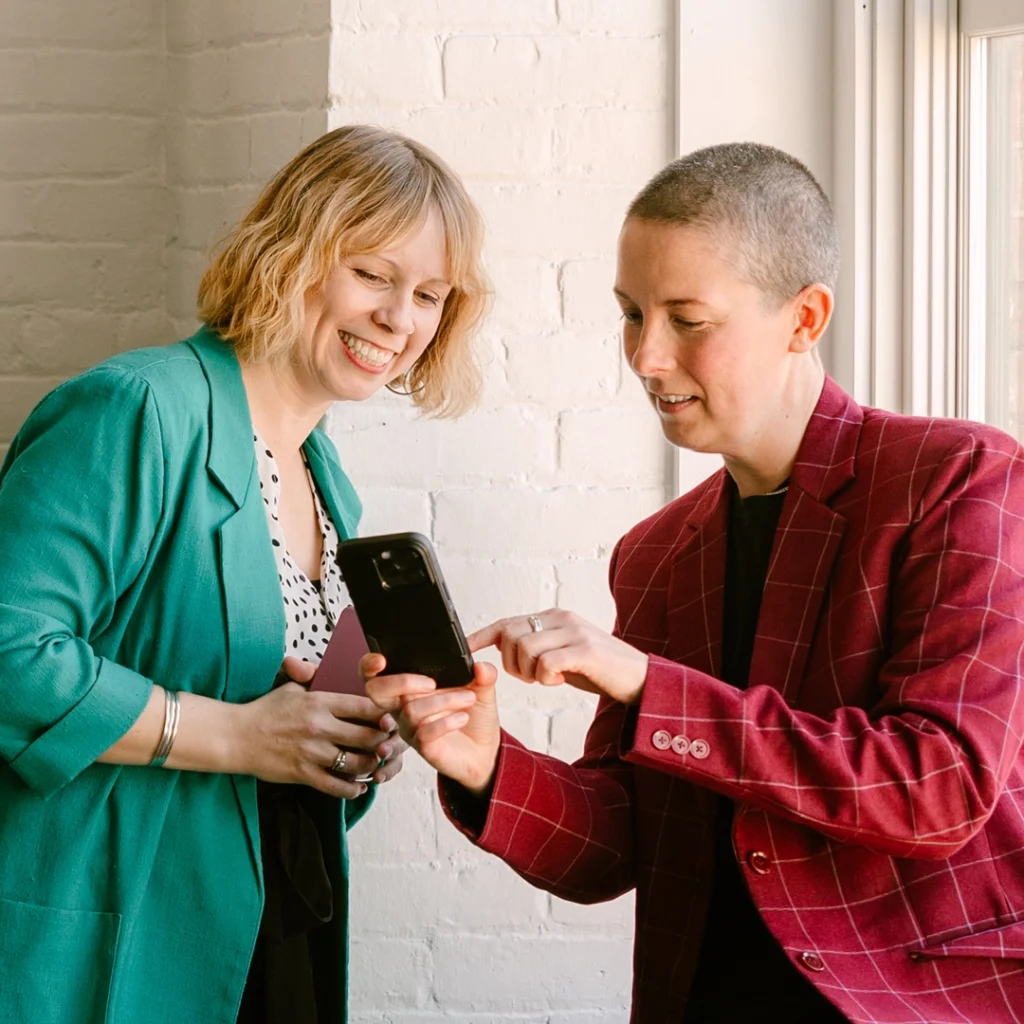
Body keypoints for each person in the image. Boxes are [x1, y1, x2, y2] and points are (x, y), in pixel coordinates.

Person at [365, 142, 1024, 1023]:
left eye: (688, 319)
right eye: (632, 314)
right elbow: (618, 848)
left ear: (805, 317)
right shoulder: (657, 554)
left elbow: (937, 786)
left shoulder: (958, 477)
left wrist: (646, 685)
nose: (645, 355)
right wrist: (486, 763)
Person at [0, 124, 488, 1024]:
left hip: (269, 923)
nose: (400, 318)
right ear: (290, 250)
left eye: (429, 294)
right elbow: (10, 653)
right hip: (112, 932)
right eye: (374, 274)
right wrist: (234, 735)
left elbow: (285, 715)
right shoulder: (143, 408)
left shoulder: (324, 477)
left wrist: (351, 737)